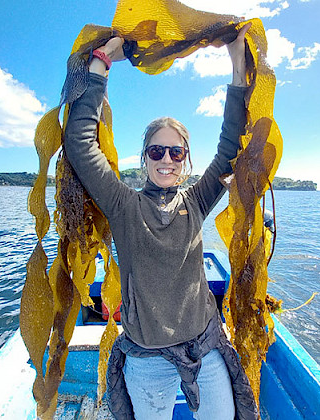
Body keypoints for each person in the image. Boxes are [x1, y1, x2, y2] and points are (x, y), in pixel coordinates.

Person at [64, 23, 257, 420]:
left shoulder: (198, 200)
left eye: (175, 152)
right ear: (145, 158)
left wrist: (238, 71)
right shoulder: (123, 205)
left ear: (185, 159)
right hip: (146, 358)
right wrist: (101, 67)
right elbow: (81, 146)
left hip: (204, 347)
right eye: (157, 151)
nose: (166, 159)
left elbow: (229, 151)